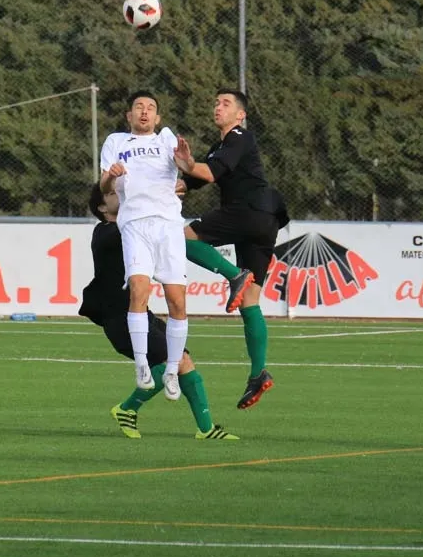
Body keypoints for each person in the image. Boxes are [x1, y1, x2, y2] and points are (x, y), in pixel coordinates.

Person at [80, 184, 238, 440]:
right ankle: (127, 408)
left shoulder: (133, 229)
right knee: (170, 362)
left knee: (182, 361)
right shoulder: (105, 233)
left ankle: (206, 429)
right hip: (120, 320)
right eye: (111, 194)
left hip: (142, 314)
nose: (119, 195)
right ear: (101, 208)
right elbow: (136, 229)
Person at [173, 89, 288, 409]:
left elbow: (206, 172)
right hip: (265, 222)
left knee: (179, 239)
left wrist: (188, 163)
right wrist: (175, 177)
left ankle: (234, 275)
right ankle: (257, 374)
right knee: (250, 302)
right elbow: (191, 181)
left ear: (241, 115)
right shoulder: (222, 147)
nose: (217, 107)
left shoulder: (240, 137)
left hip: (247, 212)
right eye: (216, 102)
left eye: (225, 104)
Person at [99, 91, 188, 401]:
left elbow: (186, 170)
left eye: (150, 108)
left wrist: (186, 166)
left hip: (168, 225)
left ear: (158, 117)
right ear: (129, 115)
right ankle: (141, 366)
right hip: (135, 223)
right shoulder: (115, 143)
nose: (144, 112)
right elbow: (103, 186)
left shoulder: (166, 139)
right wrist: (111, 177)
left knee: (177, 301)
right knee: (139, 289)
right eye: (139, 107)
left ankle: (172, 369)